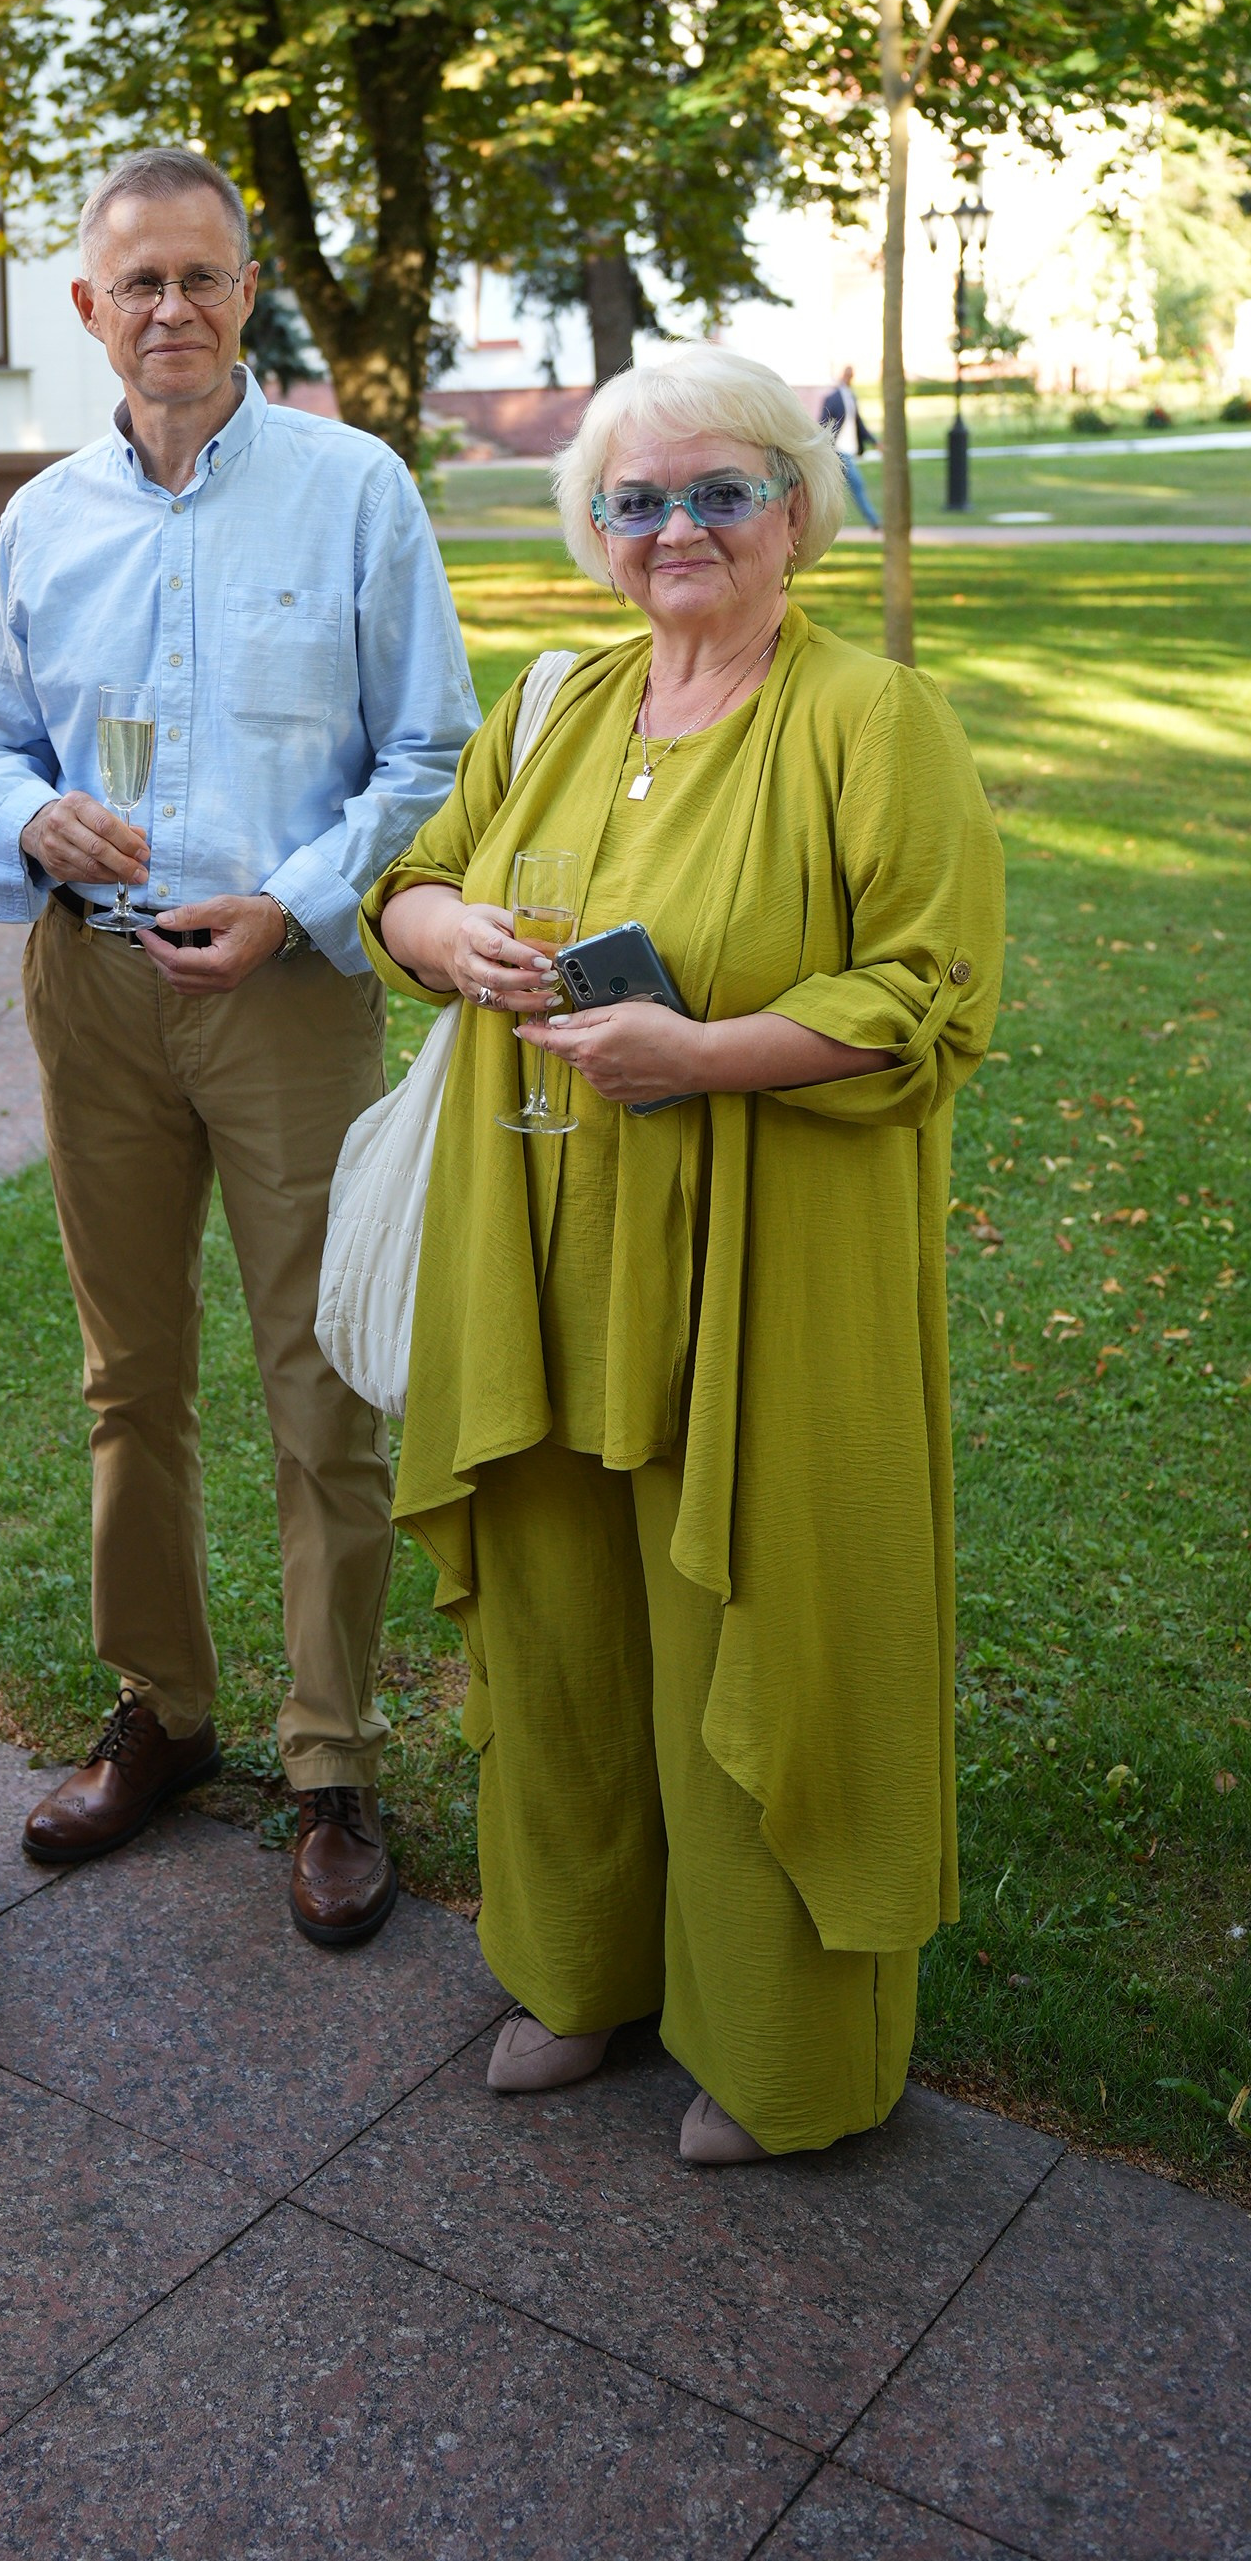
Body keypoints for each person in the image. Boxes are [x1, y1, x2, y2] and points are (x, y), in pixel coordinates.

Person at [363, 344, 1001, 2162]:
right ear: (595, 529)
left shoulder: (872, 717)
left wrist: (707, 1053)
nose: (678, 529)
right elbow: (412, 878)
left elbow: (928, 992)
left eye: (719, 490)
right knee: (568, 1630)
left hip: (760, 1275)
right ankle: (581, 1971)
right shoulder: (559, 702)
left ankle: (780, 2048)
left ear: (794, 506)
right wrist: (447, 929)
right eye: (636, 500)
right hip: (542, 1259)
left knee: (759, 1630)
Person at [0, 146, 477, 1947]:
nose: (169, 308)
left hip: (285, 991)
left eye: (201, 276)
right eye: (135, 283)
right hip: (94, 993)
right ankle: (164, 1710)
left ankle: (330, 1760)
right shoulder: (42, 517)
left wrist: (294, 897)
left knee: (320, 1378)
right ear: (87, 310)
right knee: (128, 1374)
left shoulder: (351, 489)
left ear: (246, 292)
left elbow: (430, 751)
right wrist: (31, 817)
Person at [820, 365, 879, 527]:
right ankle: (874, 521)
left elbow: (859, 424)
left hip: (847, 450)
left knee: (835, 490)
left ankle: (826, 523)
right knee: (857, 485)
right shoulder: (833, 398)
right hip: (838, 451)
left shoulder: (851, 397)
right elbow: (823, 424)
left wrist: (874, 441)